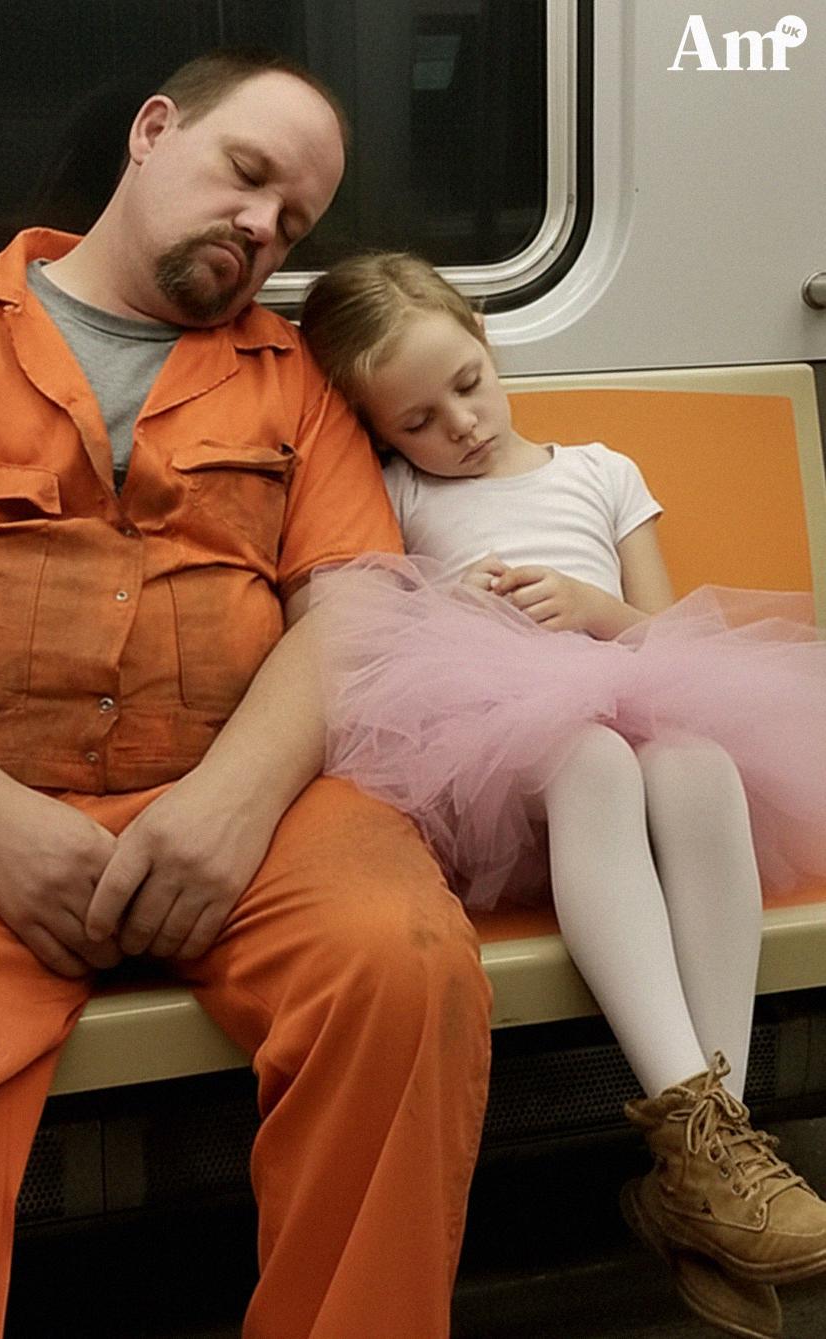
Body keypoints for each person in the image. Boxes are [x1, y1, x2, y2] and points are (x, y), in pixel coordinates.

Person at [0, 59, 493, 1339]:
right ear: (153, 132)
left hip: (247, 798)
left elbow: (353, 607)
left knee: (407, 971)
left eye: (294, 223)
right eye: (247, 175)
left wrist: (231, 804)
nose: (262, 227)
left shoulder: (295, 382)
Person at [299, 251, 826, 1339]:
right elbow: (374, 629)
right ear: (381, 434)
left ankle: (708, 1161)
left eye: (467, 384)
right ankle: (717, 1156)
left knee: (698, 759)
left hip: (631, 706)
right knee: (590, 756)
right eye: (417, 420)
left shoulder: (600, 470)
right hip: (506, 768)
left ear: (485, 343)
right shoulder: (403, 496)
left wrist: (590, 607)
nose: (459, 424)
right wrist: (460, 606)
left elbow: (671, 637)